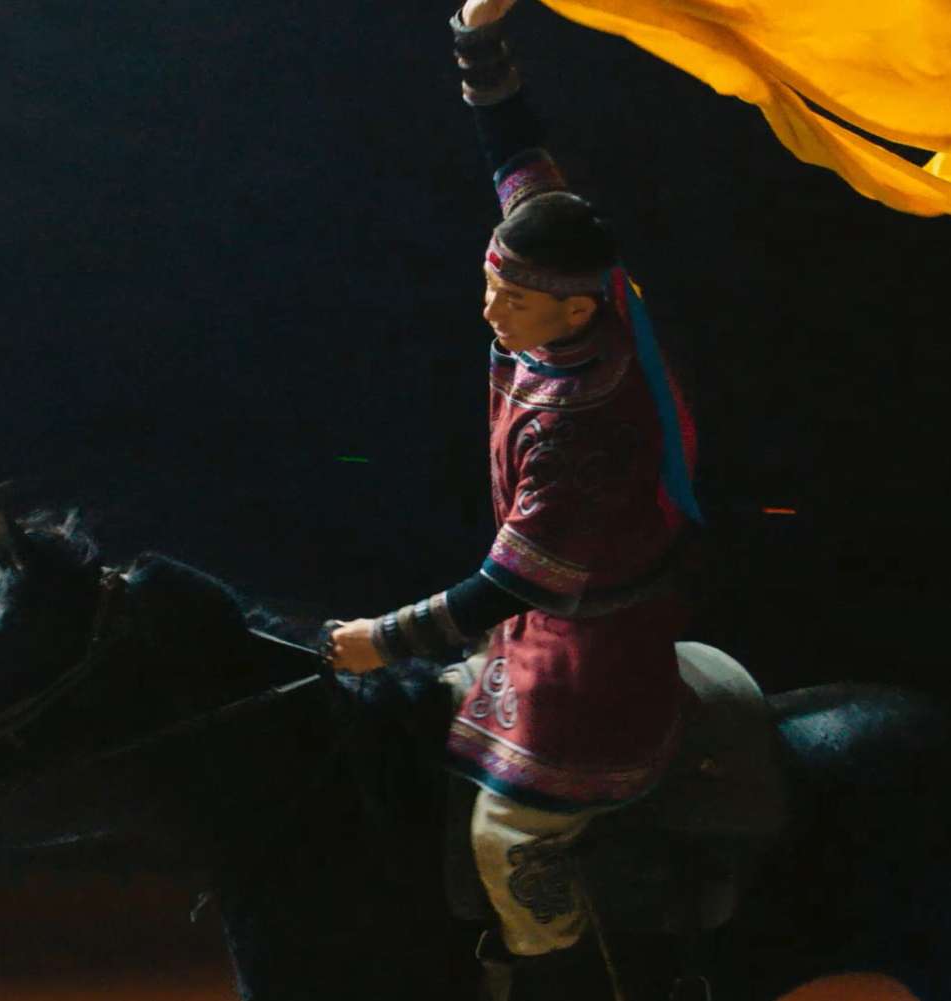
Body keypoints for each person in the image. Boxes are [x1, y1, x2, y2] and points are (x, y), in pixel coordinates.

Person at [325, 0, 702, 995]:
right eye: (491, 283)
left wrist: (380, 640)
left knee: (507, 834)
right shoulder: (571, 273)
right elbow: (516, 153)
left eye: (514, 299)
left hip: (590, 648)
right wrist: (476, 36)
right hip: (538, 622)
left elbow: (511, 580)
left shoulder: (584, 422)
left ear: (577, 308)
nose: (491, 308)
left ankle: (558, 972)